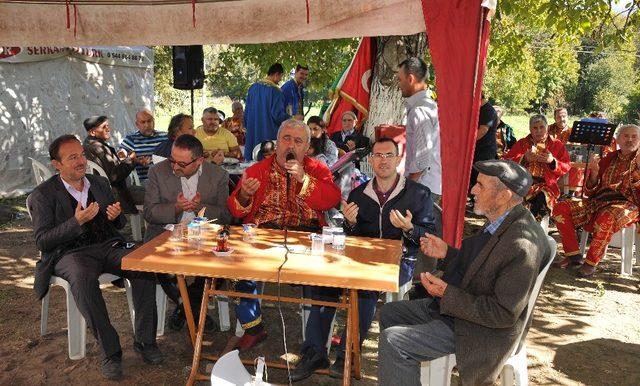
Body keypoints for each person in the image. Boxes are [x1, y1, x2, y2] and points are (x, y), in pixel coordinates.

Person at [377, 159, 549, 386]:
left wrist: (446, 293)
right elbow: (483, 266)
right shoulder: (504, 220)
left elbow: (503, 314)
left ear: (504, 195)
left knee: (394, 341)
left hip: (480, 330)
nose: (473, 190)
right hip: (461, 313)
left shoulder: (521, 245)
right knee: (390, 313)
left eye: (480, 186)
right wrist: (446, 253)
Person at [290, 138, 437, 381]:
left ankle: (348, 352)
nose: (383, 160)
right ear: (370, 161)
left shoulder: (418, 194)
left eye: (389, 155)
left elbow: (430, 236)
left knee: (365, 288)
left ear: (399, 159)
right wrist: (349, 223)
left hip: (401, 261)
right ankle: (314, 352)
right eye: (378, 155)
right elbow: (354, 239)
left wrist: (411, 228)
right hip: (362, 261)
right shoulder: (360, 193)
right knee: (324, 284)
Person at [28, 135, 162, 380]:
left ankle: (145, 341)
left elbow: (118, 223)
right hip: (70, 253)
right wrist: (75, 222)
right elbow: (43, 241)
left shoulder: (99, 183)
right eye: (73, 157)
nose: (81, 161)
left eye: (81, 154)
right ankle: (111, 352)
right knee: (82, 279)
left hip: (107, 245)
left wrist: (115, 216)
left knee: (143, 265)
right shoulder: (43, 195)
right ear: (56, 164)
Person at [227, 118, 341, 351]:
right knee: (236, 268)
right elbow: (235, 209)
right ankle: (253, 328)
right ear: (277, 142)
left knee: (327, 278)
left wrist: (303, 179)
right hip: (264, 235)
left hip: (308, 236)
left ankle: (315, 343)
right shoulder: (257, 169)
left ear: (307, 147)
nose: (290, 145)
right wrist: (245, 196)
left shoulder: (317, 169)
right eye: (286, 138)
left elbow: (331, 199)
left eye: (298, 141)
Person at [144, 134, 231, 330]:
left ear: (199, 160)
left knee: (220, 263)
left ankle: (185, 307)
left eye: (182, 164)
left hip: (206, 235)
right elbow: (149, 213)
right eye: (172, 160)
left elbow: (225, 216)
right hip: (166, 234)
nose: (174, 167)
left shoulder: (218, 175)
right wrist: (176, 207)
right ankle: (193, 309)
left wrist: (201, 207)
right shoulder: (158, 171)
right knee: (158, 266)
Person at [553, 124, 640, 277]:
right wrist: (594, 173)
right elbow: (590, 191)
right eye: (626, 136)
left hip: (627, 204)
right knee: (561, 207)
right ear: (617, 140)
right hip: (598, 201)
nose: (630, 140)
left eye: (634, 137)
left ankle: (590, 263)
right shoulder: (609, 158)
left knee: (606, 216)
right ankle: (573, 256)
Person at [503, 114, 571, 220]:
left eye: (541, 127)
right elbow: (506, 162)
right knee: (509, 196)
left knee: (542, 197)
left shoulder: (557, 145)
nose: (538, 131)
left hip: (546, 185)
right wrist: (524, 158)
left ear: (547, 128)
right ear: (530, 129)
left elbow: (567, 166)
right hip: (521, 182)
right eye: (535, 128)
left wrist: (552, 161)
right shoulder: (522, 143)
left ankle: (529, 223)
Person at [397, 57, 442, 199]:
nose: (398, 85)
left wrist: (408, 187)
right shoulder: (427, 105)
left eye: (399, 79)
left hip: (423, 186)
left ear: (410, 79)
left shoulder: (420, 110)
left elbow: (422, 158)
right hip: (427, 184)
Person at [82, 115, 145, 214]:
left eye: (107, 126)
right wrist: (131, 160)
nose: (108, 129)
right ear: (93, 132)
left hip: (100, 193)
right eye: (104, 127)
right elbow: (115, 176)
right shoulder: (99, 148)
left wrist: (123, 160)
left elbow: (106, 167)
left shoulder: (88, 144)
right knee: (155, 194)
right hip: (115, 194)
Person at [243, 63, 290, 161]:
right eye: (280, 77)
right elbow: (278, 116)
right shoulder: (276, 91)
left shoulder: (252, 88)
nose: (280, 80)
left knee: (252, 163)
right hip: (268, 132)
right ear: (276, 74)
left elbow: (246, 113)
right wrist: (291, 118)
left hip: (253, 131)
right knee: (267, 162)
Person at [119, 108, 167, 183]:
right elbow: (121, 156)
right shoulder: (132, 139)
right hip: (146, 181)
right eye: (143, 122)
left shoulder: (164, 137)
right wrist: (136, 160)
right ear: (137, 124)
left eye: (149, 121)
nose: (147, 125)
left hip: (166, 178)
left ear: (153, 121)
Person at [469, 93, 499, 194]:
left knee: (480, 177)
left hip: (485, 150)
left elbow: (482, 130)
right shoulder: (480, 109)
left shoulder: (488, 110)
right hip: (478, 149)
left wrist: (468, 143)